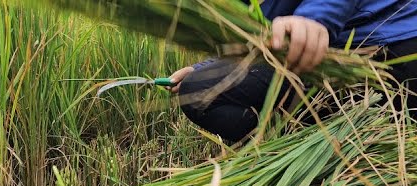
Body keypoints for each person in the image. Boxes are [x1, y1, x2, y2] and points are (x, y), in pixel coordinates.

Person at [168, 1, 417, 143]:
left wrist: (315, 18)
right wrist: (200, 68)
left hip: (392, 45)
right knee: (198, 89)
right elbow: (254, 23)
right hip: (323, 64)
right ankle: (303, 149)